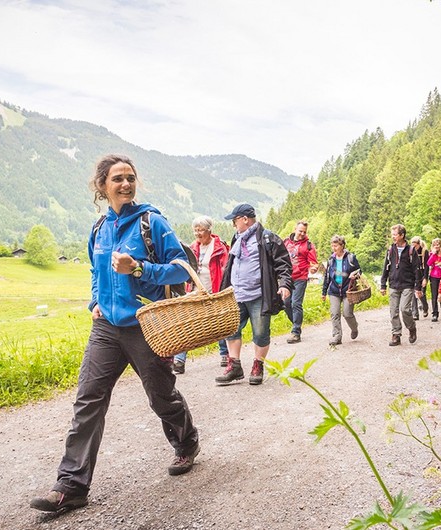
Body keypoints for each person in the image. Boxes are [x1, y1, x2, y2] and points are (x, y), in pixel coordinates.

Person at [30, 154, 200, 514]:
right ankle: (71, 485)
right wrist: (95, 299)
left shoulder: (152, 222)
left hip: (145, 325)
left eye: (130, 178)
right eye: (118, 179)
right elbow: (95, 269)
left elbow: (181, 269)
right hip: (106, 328)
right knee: (88, 400)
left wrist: (139, 268)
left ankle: (186, 442)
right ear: (102, 186)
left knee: (160, 396)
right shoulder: (98, 228)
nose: (125, 184)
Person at [216, 203, 293, 386]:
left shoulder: (268, 238)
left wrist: (284, 284)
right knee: (231, 329)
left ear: (245, 219)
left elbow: (283, 264)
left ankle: (258, 365)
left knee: (260, 333)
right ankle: (234, 366)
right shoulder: (237, 239)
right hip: (237, 294)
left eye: (235, 220)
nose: (233, 224)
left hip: (258, 294)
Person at [172, 216, 231, 374]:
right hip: (195, 292)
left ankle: (225, 353)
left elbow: (225, 269)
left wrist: (224, 290)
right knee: (187, 324)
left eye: (201, 230)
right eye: (195, 230)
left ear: (209, 230)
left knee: (219, 323)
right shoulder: (192, 248)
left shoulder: (219, 247)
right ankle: (179, 360)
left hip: (214, 290)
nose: (197, 233)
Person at [379, 224, 423, 346]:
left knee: (405, 309)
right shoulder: (390, 250)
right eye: (392, 234)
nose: (393, 237)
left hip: (407, 285)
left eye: (395, 234)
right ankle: (396, 334)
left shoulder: (411, 250)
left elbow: (416, 270)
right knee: (393, 312)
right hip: (393, 284)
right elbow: (385, 268)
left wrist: (418, 287)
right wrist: (383, 284)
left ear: (402, 235)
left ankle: (411, 327)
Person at [321, 235, 361, 346]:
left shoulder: (350, 258)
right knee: (334, 313)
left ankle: (354, 328)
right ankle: (337, 336)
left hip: (348, 290)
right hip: (334, 290)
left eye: (336, 246)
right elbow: (327, 277)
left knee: (347, 314)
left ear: (342, 245)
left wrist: (355, 275)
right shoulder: (331, 260)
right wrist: (324, 292)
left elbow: (359, 271)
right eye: (332, 246)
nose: (333, 248)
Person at [283, 220, 318, 344]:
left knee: (296, 304)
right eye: (300, 231)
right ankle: (296, 325)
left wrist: (313, 268)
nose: (302, 233)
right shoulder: (286, 242)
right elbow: (279, 257)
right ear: (295, 229)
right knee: (286, 303)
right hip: (287, 278)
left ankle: (295, 332)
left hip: (301, 278)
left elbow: (313, 263)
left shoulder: (308, 245)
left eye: (304, 232)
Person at [426, 238, 441, 322]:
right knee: (434, 295)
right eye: (434, 245)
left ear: (440, 245)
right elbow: (428, 263)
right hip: (434, 276)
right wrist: (433, 254)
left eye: (438, 245)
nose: (436, 246)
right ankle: (435, 313)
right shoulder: (432, 253)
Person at [409, 236, 430, 320]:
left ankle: (425, 307)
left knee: (421, 294)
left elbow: (427, 266)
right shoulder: (411, 252)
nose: (414, 247)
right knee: (413, 294)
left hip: (422, 274)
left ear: (418, 244)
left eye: (415, 246)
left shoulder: (425, 252)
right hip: (413, 275)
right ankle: (415, 313)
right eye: (412, 245)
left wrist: (425, 278)